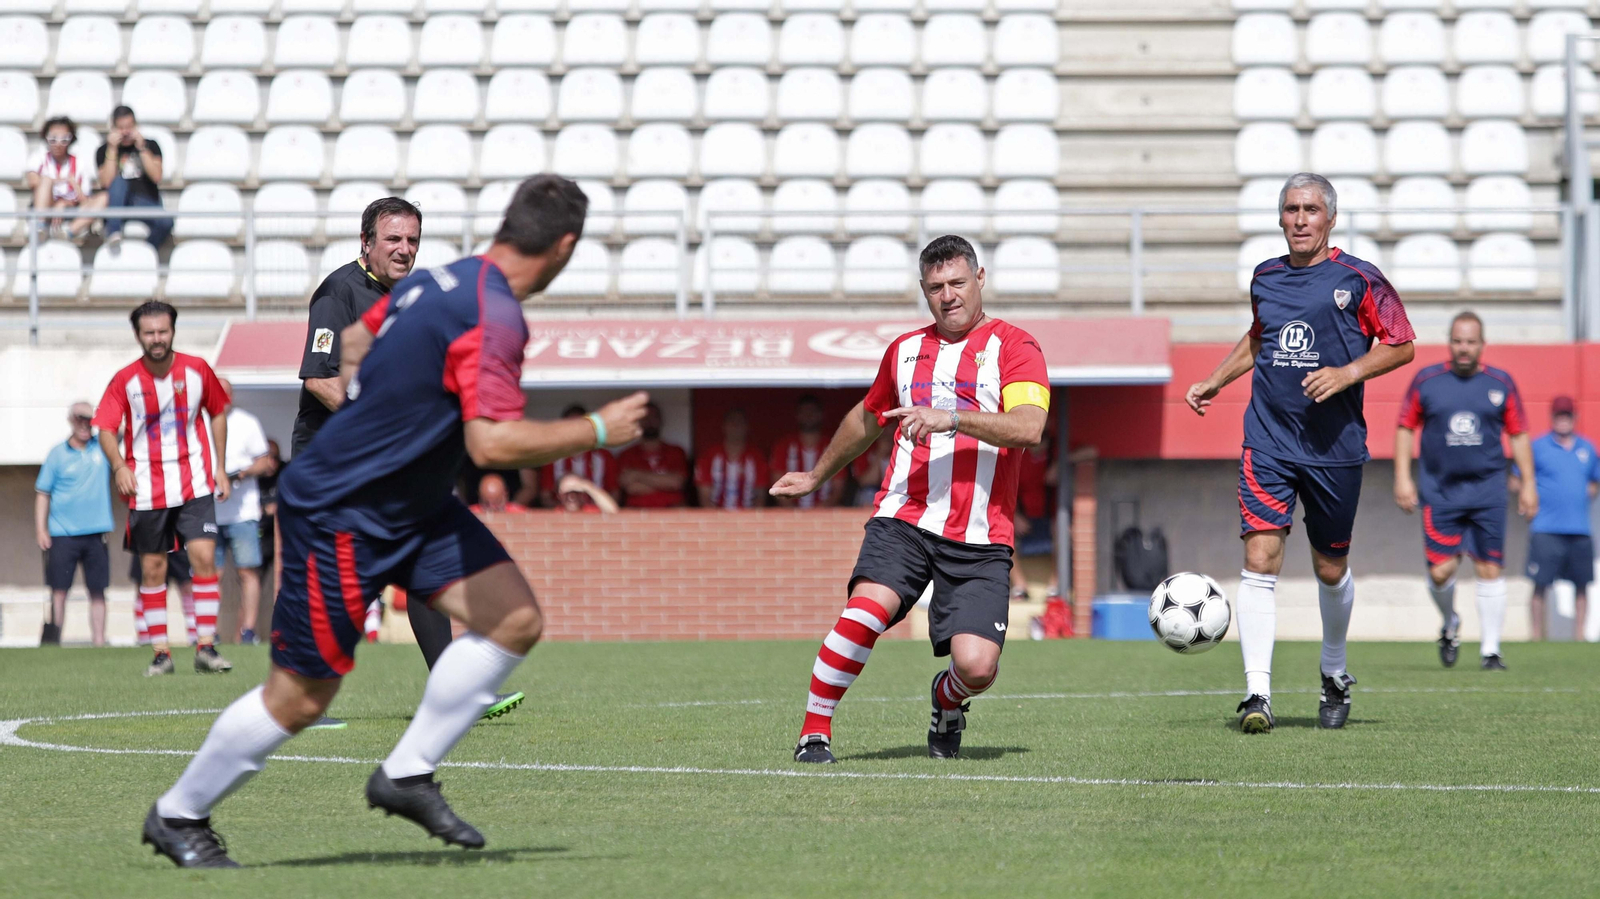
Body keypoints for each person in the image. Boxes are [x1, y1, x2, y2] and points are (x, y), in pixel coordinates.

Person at [140, 174, 649, 868]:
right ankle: (178, 812)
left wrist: (389, 418)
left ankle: (407, 772)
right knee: (299, 697)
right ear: (564, 247)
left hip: (411, 501)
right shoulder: (494, 314)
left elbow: (353, 341)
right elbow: (490, 445)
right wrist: (597, 427)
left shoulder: (440, 282)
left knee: (515, 617)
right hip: (343, 509)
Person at [773, 235, 1050, 764]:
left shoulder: (1017, 348)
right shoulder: (903, 352)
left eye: (957, 283)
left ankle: (946, 700)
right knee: (865, 611)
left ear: (981, 279)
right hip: (903, 516)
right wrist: (816, 475)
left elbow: (1028, 427)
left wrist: (952, 416)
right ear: (924, 292)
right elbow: (865, 418)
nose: (948, 296)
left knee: (975, 667)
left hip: (981, 535)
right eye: (935, 287)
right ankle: (814, 732)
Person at [1184, 172, 1415, 733]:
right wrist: (1217, 379)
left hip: (1335, 448)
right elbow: (1261, 336)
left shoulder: (1359, 279)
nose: (1300, 218)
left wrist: (1346, 373)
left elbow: (1402, 344)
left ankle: (1333, 672)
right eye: (1291, 209)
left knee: (1329, 566)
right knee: (1260, 558)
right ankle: (1256, 695)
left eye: (1311, 209)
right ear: (1280, 217)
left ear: (1330, 218)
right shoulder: (1265, 276)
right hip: (1267, 439)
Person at [290, 197, 448, 729]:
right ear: (366, 242)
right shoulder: (339, 292)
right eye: (393, 239)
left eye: (412, 240)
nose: (405, 250)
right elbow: (319, 378)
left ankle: (453, 691)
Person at [94, 301, 234, 677]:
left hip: (195, 481)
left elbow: (217, 411)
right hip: (146, 487)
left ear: (173, 330)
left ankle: (206, 646)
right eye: (149, 332)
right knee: (153, 568)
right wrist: (119, 465)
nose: (157, 339)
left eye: (163, 331)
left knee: (204, 557)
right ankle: (161, 653)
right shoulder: (125, 380)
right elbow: (105, 428)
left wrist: (220, 466)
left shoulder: (197, 369)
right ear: (138, 335)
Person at [1394, 312, 1535, 671]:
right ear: (1449, 342)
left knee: (1490, 567)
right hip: (1440, 492)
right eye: (1458, 340)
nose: (1464, 348)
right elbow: (1405, 427)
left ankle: (1491, 651)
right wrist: (1402, 477)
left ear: (1482, 344)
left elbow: (1518, 434)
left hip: (1487, 491)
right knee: (1441, 572)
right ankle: (1451, 622)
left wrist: (1528, 484)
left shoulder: (1501, 383)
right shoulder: (1427, 381)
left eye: (1471, 341)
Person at [1515, 396, 1600, 641]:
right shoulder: (1538, 447)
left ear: (1575, 418)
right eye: (1559, 416)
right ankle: (1535, 635)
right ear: (1552, 418)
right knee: (1540, 583)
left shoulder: (1587, 448)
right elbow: (1516, 477)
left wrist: (1587, 491)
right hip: (1545, 527)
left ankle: (1580, 636)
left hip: (1579, 529)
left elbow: (1594, 480)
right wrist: (1526, 497)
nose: (1563, 420)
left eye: (1567, 415)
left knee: (1582, 585)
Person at [34, 402, 115, 646]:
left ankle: (99, 643)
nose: (85, 423)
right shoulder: (57, 454)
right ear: (71, 419)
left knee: (98, 591)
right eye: (80, 418)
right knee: (59, 590)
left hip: (96, 534)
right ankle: (55, 640)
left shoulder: (103, 449)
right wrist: (41, 529)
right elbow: (42, 493)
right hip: (62, 534)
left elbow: (121, 425)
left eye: (90, 419)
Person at [214, 379, 277, 646]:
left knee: (247, 571)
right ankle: (208, 631)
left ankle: (248, 630)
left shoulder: (246, 422)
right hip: (209, 510)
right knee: (210, 574)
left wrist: (242, 473)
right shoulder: (198, 422)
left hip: (242, 512)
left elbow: (265, 462)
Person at [95, 106, 172, 249]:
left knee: (167, 221)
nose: (125, 132)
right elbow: (106, 183)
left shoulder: (151, 145)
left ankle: (148, 251)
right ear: (113, 128)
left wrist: (142, 148)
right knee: (119, 182)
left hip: (146, 201)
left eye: (129, 127)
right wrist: (112, 149)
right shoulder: (104, 150)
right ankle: (113, 232)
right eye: (121, 128)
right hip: (117, 204)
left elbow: (156, 177)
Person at [27, 116, 104, 240]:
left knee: (104, 198)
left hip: (71, 210)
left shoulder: (79, 163)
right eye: (53, 139)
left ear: (71, 139)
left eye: (64, 139)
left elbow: (85, 199)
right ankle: (40, 227)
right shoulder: (39, 158)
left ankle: (68, 232)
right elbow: (32, 182)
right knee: (45, 181)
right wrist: (56, 187)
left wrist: (65, 202)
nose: (58, 144)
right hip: (46, 208)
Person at [1009, 418, 1059, 601]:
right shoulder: (1019, 456)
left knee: (1063, 530)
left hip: (1051, 519)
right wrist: (1015, 516)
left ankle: (1055, 587)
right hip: (1025, 520)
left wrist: (1061, 464)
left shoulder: (1057, 450)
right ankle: (1020, 587)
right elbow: (1003, 490)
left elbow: (1090, 451)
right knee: (1003, 532)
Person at [536, 405, 617, 507]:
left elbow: (614, 494)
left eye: (580, 426)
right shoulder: (552, 457)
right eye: (571, 426)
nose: (576, 431)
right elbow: (545, 496)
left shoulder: (604, 456)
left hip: (597, 515)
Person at [771, 395, 845, 508]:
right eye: (804, 411)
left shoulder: (833, 447)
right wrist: (796, 515)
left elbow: (837, 490)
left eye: (812, 411)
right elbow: (777, 488)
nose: (808, 415)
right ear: (797, 415)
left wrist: (816, 515)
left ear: (821, 414)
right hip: (789, 516)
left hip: (825, 515)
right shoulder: (783, 446)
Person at [617, 403, 689, 508]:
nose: (650, 421)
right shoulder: (627, 454)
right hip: (637, 511)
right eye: (645, 417)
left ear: (660, 420)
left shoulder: (676, 451)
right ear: (638, 422)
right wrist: (664, 483)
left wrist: (637, 474)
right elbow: (631, 488)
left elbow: (676, 482)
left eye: (654, 417)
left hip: (672, 510)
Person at [696, 408, 768, 509]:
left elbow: (760, 497)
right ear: (724, 426)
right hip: (716, 518)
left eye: (740, 422)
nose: (736, 425)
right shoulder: (709, 455)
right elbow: (705, 498)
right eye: (732, 421)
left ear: (747, 426)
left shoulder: (757, 457)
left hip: (748, 518)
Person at [130, 549, 195, 646]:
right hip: (150, 539)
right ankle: (146, 638)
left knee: (188, 586)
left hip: (177, 541)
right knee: (145, 584)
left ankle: (196, 638)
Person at [554, 473, 620, 514]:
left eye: (577, 493)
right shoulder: (556, 513)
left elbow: (612, 511)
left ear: (583, 494)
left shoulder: (589, 511)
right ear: (559, 495)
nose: (572, 497)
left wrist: (589, 487)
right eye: (567, 493)